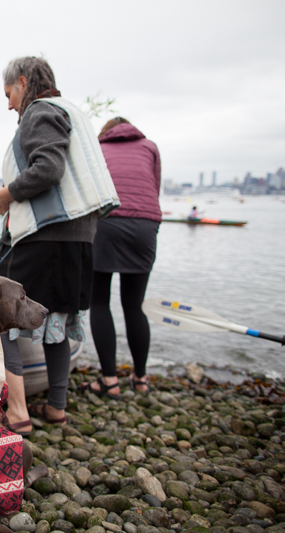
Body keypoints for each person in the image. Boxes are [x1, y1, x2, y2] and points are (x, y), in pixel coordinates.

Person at [0, 56, 119, 433]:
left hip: (46, 237)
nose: (9, 104)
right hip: (80, 239)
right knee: (58, 322)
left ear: (22, 82)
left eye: (9, 94)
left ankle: (17, 412)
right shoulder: (73, 113)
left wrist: (7, 194)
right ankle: (57, 407)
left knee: (0, 312)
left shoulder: (40, 112)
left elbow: (48, 168)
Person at [84, 117, 161, 397]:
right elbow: (155, 188)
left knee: (99, 301)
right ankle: (140, 379)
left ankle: (110, 380)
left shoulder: (96, 148)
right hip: (145, 226)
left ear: (106, 133)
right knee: (134, 305)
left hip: (106, 223)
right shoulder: (149, 146)